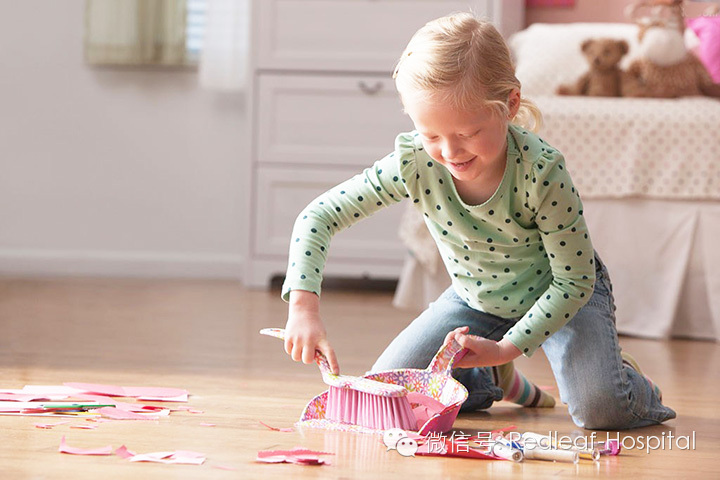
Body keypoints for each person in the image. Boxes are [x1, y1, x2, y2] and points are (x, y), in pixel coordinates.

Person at [279, 12, 676, 429]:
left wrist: (508, 348)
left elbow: (574, 282)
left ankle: (624, 381)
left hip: (566, 300)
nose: (450, 152)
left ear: (510, 104)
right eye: (431, 135)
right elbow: (319, 215)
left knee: (600, 410)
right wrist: (303, 307)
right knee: (399, 402)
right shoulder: (413, 163)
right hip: (475, 298)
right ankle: (490, 381)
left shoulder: (542, 172)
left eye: (468, 133)